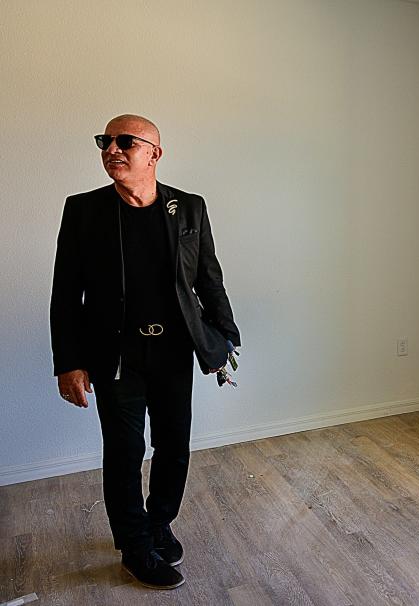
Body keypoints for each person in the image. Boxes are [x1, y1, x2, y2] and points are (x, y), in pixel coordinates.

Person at [50, 114, 241, 590]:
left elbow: (208, 279)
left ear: (154, 153)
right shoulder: (84, 210)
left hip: (174, 351)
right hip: (116, 357)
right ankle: (135, 546)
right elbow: (65, 293)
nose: (112, 149)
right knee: (124, 452)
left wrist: (224, 338)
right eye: (106, 141)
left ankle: (159, 523)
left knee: (174, 446)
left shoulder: (189, 208)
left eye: (125, 141)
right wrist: (69, 363)